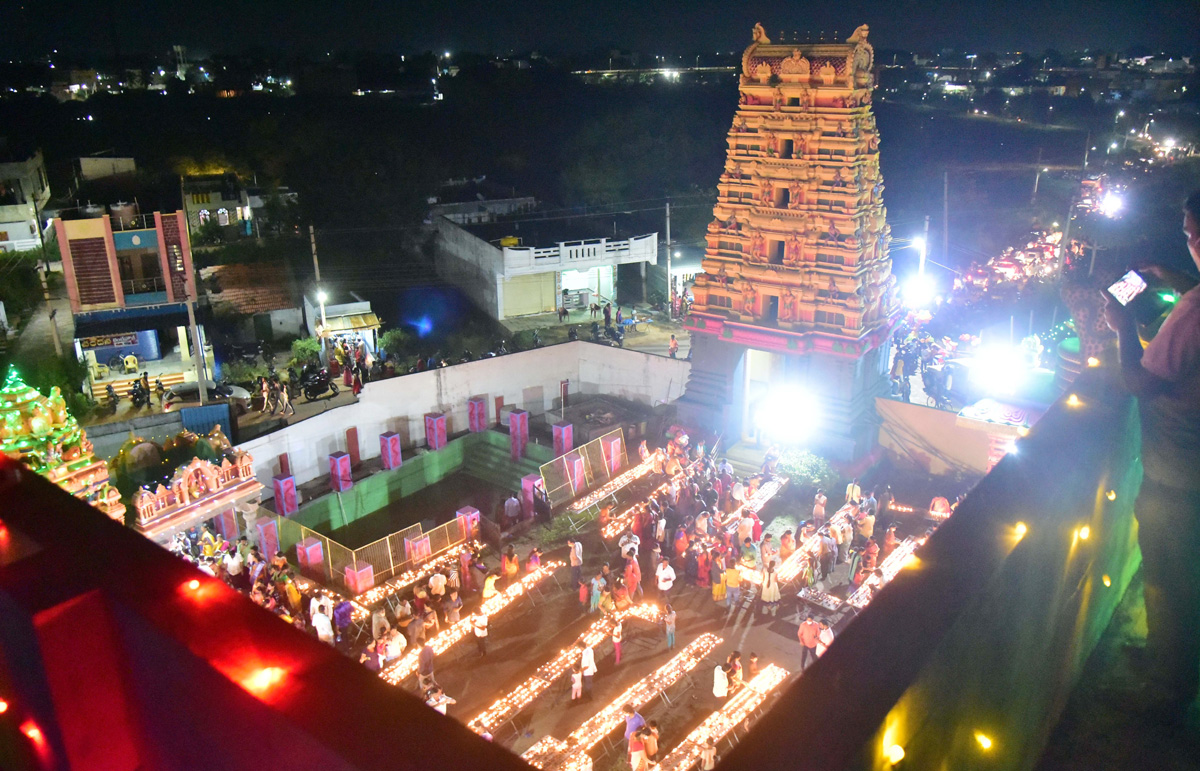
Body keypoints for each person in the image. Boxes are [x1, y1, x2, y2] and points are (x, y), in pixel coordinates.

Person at [1103, 190, 1200, 716]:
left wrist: (1121, 331)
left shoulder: (1192, 317)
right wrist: (1172, 277)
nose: (1187, 243)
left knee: (1169, 582)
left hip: (1180, 475)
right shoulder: (1193, 302)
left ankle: (1169, 689)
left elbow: (1139, 381)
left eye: (1188, 234)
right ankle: (1173, 665)